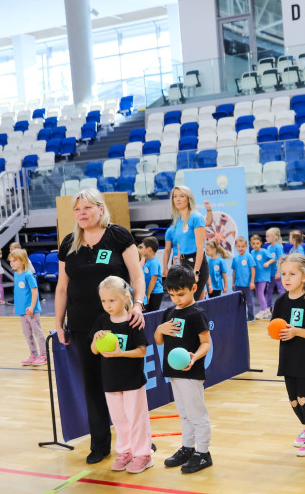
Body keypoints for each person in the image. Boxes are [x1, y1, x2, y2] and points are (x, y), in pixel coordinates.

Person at [55, 188, 145, 464]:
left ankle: (138, 445)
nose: (82, 213)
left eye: (87, 208)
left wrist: (139, 304)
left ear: (100, 209)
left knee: (126, 387)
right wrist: (59, 323)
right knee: (93, 386)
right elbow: (61, 288)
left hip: (119, 323)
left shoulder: (118, 236)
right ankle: (100, 445)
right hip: (83, 326)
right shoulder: (69, 243)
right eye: (77, 209)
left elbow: (136, 275)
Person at [91, 275, 153, 474]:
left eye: (112, 300)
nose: (107, 305)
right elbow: (93, 350)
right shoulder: (101, 320)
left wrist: (121, 353)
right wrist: (95, 338)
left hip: (132, 380)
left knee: (136, 418)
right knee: (119, 419)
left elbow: (142, 350)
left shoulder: (133, 321)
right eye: (103, 301)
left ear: (126, 297)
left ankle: (143, 454)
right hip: (110, 381)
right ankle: (126, 452)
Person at [155, 265, 213, 474]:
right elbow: (159, 342)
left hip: (191, 373)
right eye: (172, 295)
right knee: (184, 414)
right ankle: (188, 448)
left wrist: (194, 356)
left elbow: (206, 343)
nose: (177, 299)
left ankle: (204, 453)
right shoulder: (169, 312)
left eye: (181, 294)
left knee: (197, 414)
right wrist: (159, 330)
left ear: (193, 288)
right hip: (173, 373)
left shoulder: (197, 314)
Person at [271, 253, 305, 457]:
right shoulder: (280, 302)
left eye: (292, 274)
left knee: (304, 398)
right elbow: (276, 328)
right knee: (293, 400)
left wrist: (296, 331)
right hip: (288, 357)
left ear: (304, 277)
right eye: (283, 273)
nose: (286, 278)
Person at [162, 185, 208, 300]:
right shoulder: (177, 221)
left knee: (192, 301)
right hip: (183, 263)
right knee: (183, 300)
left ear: (188, 199)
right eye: (175, 196)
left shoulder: (196, 218)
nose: (177, 199)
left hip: (196, 263)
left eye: (181, 196)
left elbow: (200, 248)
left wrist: (196, 272)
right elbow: (178, 245)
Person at [10, 248, 45, 367]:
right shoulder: (16, 275)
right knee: (27, 333)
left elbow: (35, 292)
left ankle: (44, 355)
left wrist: (31, 307)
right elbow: (17, 292)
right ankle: (33, 355)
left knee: (37, 332)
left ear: (23, 261)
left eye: (14, 260)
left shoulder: (29, 275)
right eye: (11, 261)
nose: (12, 263)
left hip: (31, 310)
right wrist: (16, 305)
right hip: (22, 311)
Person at [231, 236, 256, 322]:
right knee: (238, 302)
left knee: (249, 302)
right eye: (238, 246)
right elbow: (234, 272)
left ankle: (251, 317)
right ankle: (240, 317)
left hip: (247, 284)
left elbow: (253, 269)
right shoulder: (235, 258)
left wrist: (252, 282)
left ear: (246, 246)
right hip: (238, 285)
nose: (240, 248)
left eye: (242, 246)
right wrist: (233, 283)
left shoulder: (248, 256)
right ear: (235, 246)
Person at [250, 234, 272, 319]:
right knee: (258, 294)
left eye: (257, 243)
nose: (255, 245)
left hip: (263, 276)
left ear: (261, 243)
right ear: (250, 244)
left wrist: (267, 263)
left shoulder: (263, 251)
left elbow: (272, 259)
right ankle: (265, 309)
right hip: (255, 276)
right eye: (253, 243)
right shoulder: (252, 252)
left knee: (260, 293)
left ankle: (264, 310)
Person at [139, 237, 164, 311]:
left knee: (153, 312)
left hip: (155, 293)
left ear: (149, 249)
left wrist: (148, 294)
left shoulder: (153, 262)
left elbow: (153, 279)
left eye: (142, 247)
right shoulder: (148, 261)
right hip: (149, 292)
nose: (141, 249)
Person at [264, 228, 285, 299]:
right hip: (270, 273)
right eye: (266, 236)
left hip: (277, 273)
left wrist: (278, 272)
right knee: (269, 290)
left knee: (281, 290)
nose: (266, 238)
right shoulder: (268, 247)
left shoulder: (278, 247)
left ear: (274, 237)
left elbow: (281, 260)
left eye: (268, 236)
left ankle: (284, 306)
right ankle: (268, 307)